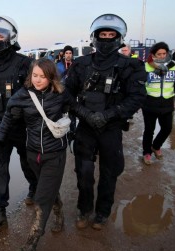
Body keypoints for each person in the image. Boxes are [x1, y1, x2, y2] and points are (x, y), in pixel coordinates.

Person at [65, 14, 147, 230]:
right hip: (85, 126)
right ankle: (84, 209)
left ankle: (102, 212)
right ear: (95, 36)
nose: (107, 39)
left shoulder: (131, 66)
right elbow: (67, 95)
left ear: (119, 38)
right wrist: (84, 113)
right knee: (83, 172)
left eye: (112, 35)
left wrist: (109, 115)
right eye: (103, 35)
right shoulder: (80, 64)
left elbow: (137, 97)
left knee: (109, 173)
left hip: (111, 128)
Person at [0, 58, 75, 251]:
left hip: (55, 153)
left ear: (51, 77)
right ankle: (59, 214)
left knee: (40, 198)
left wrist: (86, 124)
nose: (38, 80)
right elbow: (7, 118)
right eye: (35, 75)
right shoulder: (22, 95)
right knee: (48, 189)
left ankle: (32, 240)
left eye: (43, 76)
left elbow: (76, 109)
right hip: (33, 153)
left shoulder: (61, 94)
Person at [0, 15, 38, 239]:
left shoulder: (24, 63)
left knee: (27, 163)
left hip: (22, 126)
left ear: (11, 37)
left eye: (0, 34)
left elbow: (36, 95)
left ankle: (34, 188)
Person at [142, 42, 175, 165]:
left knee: (167, 128)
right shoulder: (146, 66)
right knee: (149, 130)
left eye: (164, 53)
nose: (162, 56)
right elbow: (140, 85)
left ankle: (155, 146)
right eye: (159, 54)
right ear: (153, 55)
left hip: (167, 102)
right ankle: (147, 153)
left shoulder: (174, 66)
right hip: (150, 102)